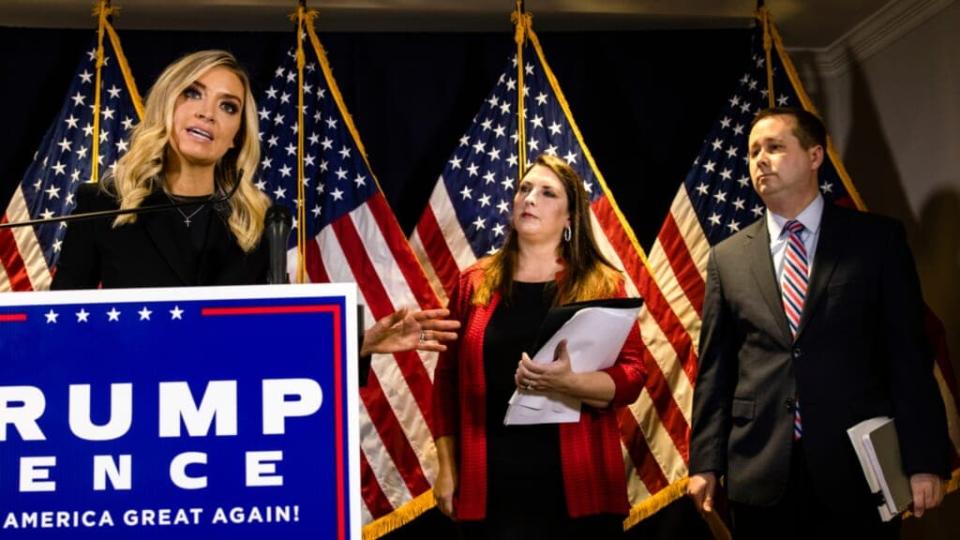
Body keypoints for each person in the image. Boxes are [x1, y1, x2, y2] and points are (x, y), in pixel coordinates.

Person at [51, 49, 457, 356]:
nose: (208, 114)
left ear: (237, 136)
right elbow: (60, 330)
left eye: (228, 107)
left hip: (230, 422)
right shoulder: (103, 205)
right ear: (166, 106)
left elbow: (273, 343)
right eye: (193, 94)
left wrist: (361, 344)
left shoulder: (261, 221)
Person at [687, 107, 951, 539]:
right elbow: (715, 371)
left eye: (774, 147)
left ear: (814, 156)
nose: (760, 160)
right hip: (760, 474)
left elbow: (907, 356)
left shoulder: (876, 241)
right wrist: (705, 463)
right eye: (753, 151)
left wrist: (924, 460)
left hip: (857, 474)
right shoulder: (727, 257)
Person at [431, 154, 646, 539]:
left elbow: (632, 376)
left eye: (548, 193)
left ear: (569, 219)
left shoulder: (602, 284)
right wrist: (447, 467)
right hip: (491, 488)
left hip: (578, 490)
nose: (529, 198)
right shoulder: (473, 282)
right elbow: (446, 381)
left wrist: (571, 384)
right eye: (524, 189)